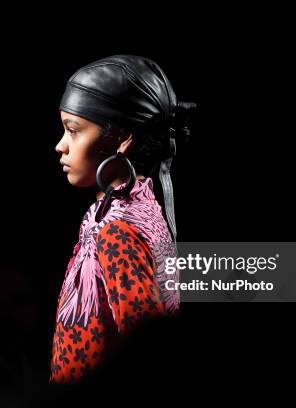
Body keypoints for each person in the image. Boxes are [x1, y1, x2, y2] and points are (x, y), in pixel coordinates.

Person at [50, 55, 195, 383]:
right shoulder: (136, 209)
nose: (61, 146)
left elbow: (149, 355)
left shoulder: (118, 231)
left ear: (121, 138)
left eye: (74, 131)